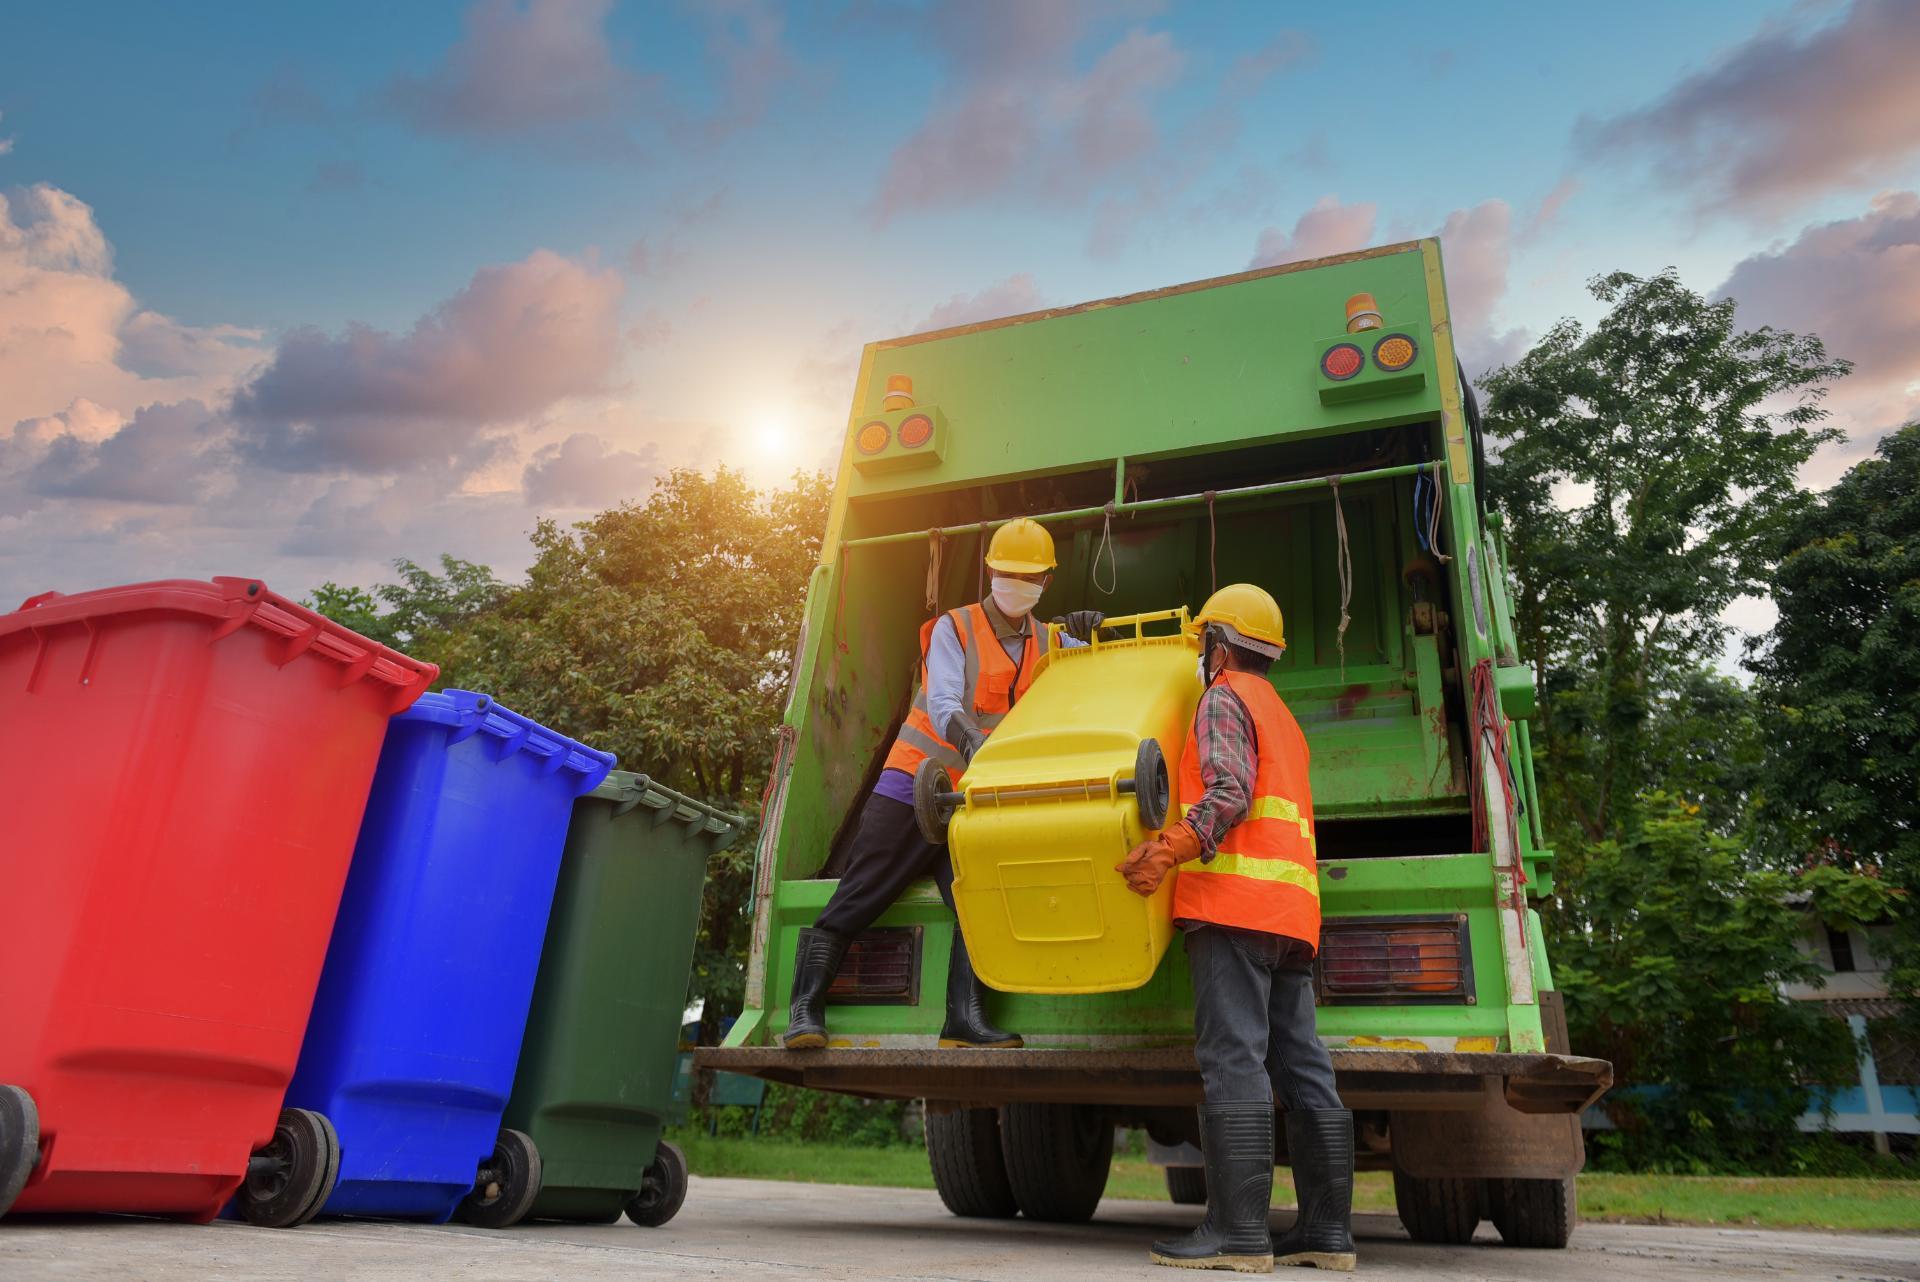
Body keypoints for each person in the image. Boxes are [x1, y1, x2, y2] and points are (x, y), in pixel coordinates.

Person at [782, 517, 1104, 1051]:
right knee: (862, 893)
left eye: (1026, 575)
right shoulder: (956, 627)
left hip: (973, 801)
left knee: (981, 906)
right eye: (1004, 571)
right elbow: (944, 700)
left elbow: (1100, 666)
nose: (1013, 581)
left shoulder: (1051, 641)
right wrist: (971, 740)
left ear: (1046, 582)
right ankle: (804, 1012)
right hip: (915, 785)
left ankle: (964, 1021)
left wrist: (1094, 632)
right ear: (989, 571)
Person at [1118, 583, 1354, 1273]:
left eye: (1202, 644)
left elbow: (1229, 790)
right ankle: (1324, 1235)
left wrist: (1170, 847)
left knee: (1233, 1062)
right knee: (1303, 1064)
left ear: (1218, 646)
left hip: (1234, 908)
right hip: (1291, 916)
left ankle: (1240, 1236)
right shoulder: (1282, 712)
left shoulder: (1222, 698)